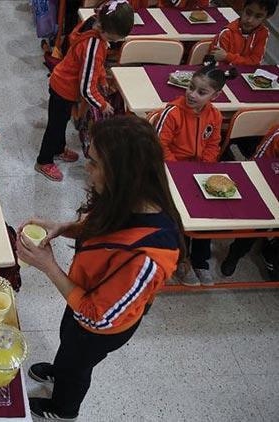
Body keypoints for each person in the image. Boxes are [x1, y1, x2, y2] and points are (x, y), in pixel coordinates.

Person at [17, 115, 183, 420]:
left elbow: (98, 316)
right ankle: (60, 370)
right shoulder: (122, 198)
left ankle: (63, 409)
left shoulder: (150, 255)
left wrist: (48, 266)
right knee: (69, 343)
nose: (86, 168)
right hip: (82, 297)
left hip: (101, 325)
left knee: (78, 364)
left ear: (121, 174)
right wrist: (62, 227)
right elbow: (99, 226)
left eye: (92, 163)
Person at [154, 60, 237, 286]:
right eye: (191, 87)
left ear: (215, 95)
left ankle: (201, 261)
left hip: (198, 172)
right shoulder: (172, 113)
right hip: (170, 171)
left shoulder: (215, 116)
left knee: (206, 213)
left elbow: (213, 143)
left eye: (202, 92)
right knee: (179, 216)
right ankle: (182, 259)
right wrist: (181, 170)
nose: (192, 94)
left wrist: (205, 167)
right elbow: (160, 146)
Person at [35, 0, 132, 182]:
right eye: (112, 39)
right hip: (63, 88)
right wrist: (102, 105)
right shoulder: (93, 46)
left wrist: (102, 78)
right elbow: (86, 87)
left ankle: (58, 148)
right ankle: (44, 160)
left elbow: (96, 66)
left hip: (65, 85)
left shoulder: (94, 24)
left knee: (62, 121)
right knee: (54, 126)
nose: (113, 42)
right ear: (104, 30)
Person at [221, 124, 279, 277]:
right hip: (269, 183)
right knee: (259, 220)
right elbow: (257, 164)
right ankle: (235, 254)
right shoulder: (277, 135)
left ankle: (272, 252)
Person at [209, 0, 276, 66]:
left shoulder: (263, 33)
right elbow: (219, 64)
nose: (250, 20)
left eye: (258, 16)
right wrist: (246, 61)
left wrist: (228, 57)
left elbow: (255, 61)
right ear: (243, 7)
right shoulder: (227, 33)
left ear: (267, 17)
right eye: (248, 13)